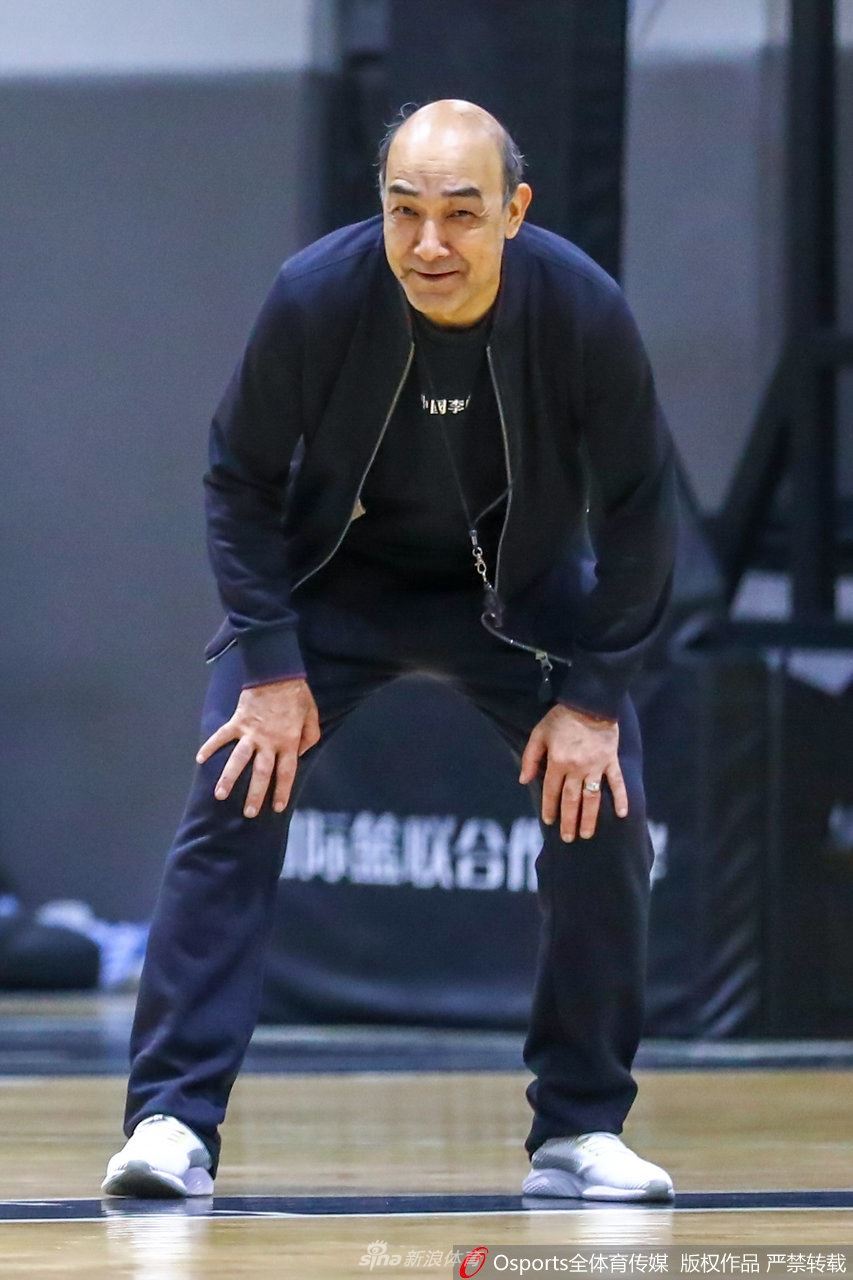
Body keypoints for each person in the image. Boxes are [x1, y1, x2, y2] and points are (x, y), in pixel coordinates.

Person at [102, 98, 678, 1203]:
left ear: (514, 210)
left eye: (460, 213)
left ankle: (578, 1128)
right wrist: (271, 665)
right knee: (232, 789)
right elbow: (238, 478)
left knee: (603, 811)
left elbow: (642, 509)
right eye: (403, 211)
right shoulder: (316, 294)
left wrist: (594, 698)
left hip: (519, 599)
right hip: (336, 590)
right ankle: (171, 1119)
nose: (428, 243)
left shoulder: (579, 309)